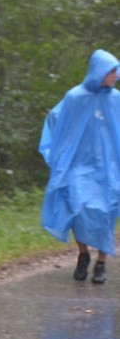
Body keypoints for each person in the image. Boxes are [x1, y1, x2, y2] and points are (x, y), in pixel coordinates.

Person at [39, 48, 120, 285]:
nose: (115, 75)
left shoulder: (116, 100)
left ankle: (101, 263)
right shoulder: (75, 97)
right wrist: (60, 151)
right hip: (78, 166)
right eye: (112, 70)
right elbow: (56, 118)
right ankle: (84, 254)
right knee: (76, 208)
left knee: (106, 212)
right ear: (99, 71)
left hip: (108, 167)